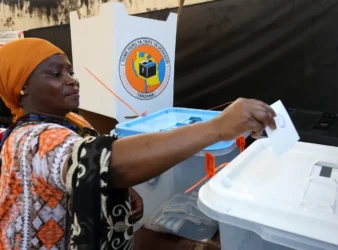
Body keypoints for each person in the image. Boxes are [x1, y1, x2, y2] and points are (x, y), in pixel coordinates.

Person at [0, 38, 276, 250]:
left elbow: (100, 161)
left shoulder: (71, 121)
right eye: (56, 73)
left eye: (70, 71)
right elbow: (100, 164)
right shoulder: (31, 139)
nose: (71, 80)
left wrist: (124, 188)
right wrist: (217, 128)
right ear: (22, 86)